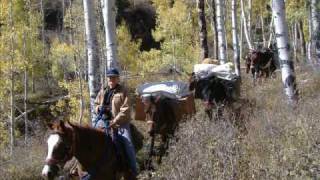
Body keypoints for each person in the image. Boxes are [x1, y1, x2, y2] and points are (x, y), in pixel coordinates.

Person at [94, 68, 138, 177]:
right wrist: (99, 109)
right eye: (109, 77)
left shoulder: (123, 91)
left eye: (113, 77)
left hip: (120, 124)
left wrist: (115, 121)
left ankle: (133, 171)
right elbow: (95, 104)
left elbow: (126, 109)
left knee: (128, 145)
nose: (111, 79)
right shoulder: (103, 91)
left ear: (118, 79)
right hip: (103, 122)